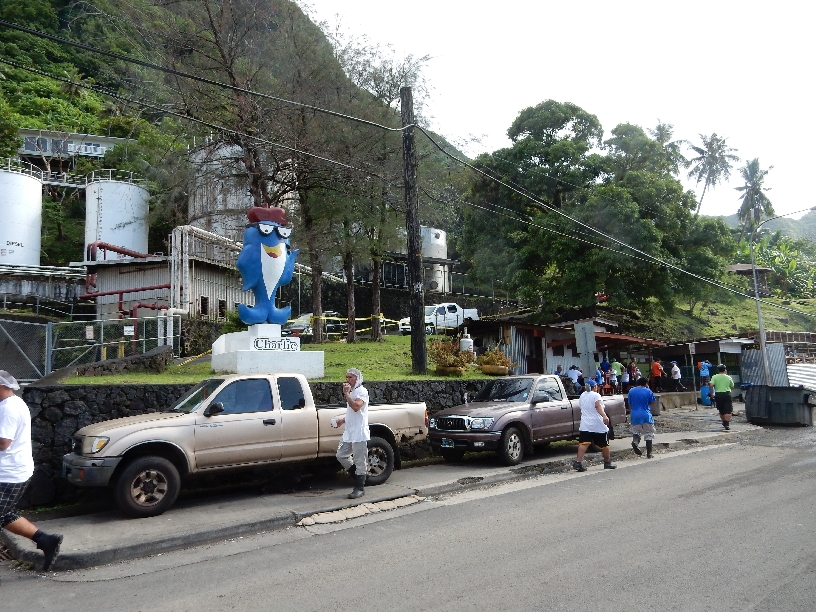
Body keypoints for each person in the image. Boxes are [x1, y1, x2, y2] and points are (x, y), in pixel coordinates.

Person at [0, 371, 63, 572]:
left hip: (8, 474)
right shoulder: (11, 403)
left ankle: (47, 541)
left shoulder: (9, 408)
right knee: (5, 515)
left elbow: (3, 442)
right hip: (13, 470)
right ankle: (46, 541)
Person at [334, 368, 369, 499]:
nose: (347, 380)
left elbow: (356, 407)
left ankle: (360, 487)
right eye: (346, 377)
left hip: (359, 432)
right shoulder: (353, 391)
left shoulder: (362, 391)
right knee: (341, 455)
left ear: (357, 379)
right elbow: (351, 413)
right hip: (349, 431)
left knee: (359, 460)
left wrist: (347, 394)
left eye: (350, 377)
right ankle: (360, 476)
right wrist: (343, 420)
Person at [573, 379, 616, 471]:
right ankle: (607, 462)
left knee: (584, 443)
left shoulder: (582, 395)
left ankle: (578, 462)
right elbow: (598, 406)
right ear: (594, 387)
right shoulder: (596, 395)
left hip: (585, 424)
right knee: (605, 444)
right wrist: (604, 416)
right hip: (597, 424)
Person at [628, 377, 658, 458]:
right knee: (649, 433)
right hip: (646, 415)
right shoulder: (648, 391)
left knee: (636, 431)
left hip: (634, 414)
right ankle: (649, 453)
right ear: (646, 383)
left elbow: (629, 404)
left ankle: (635, 442)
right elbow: (652, 402)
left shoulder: (631, 391)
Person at [710, 364, 735, 430]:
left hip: (718, 394)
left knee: (721, 410)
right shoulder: (728, 377)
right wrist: (728, 390)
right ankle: (727, 424)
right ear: (725, 370)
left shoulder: (714, 377)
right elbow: (732, 386)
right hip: (727, 394)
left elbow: (711, 385)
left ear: (718, 370)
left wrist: (712, 394)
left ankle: (724, 422)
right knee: (728, 410)